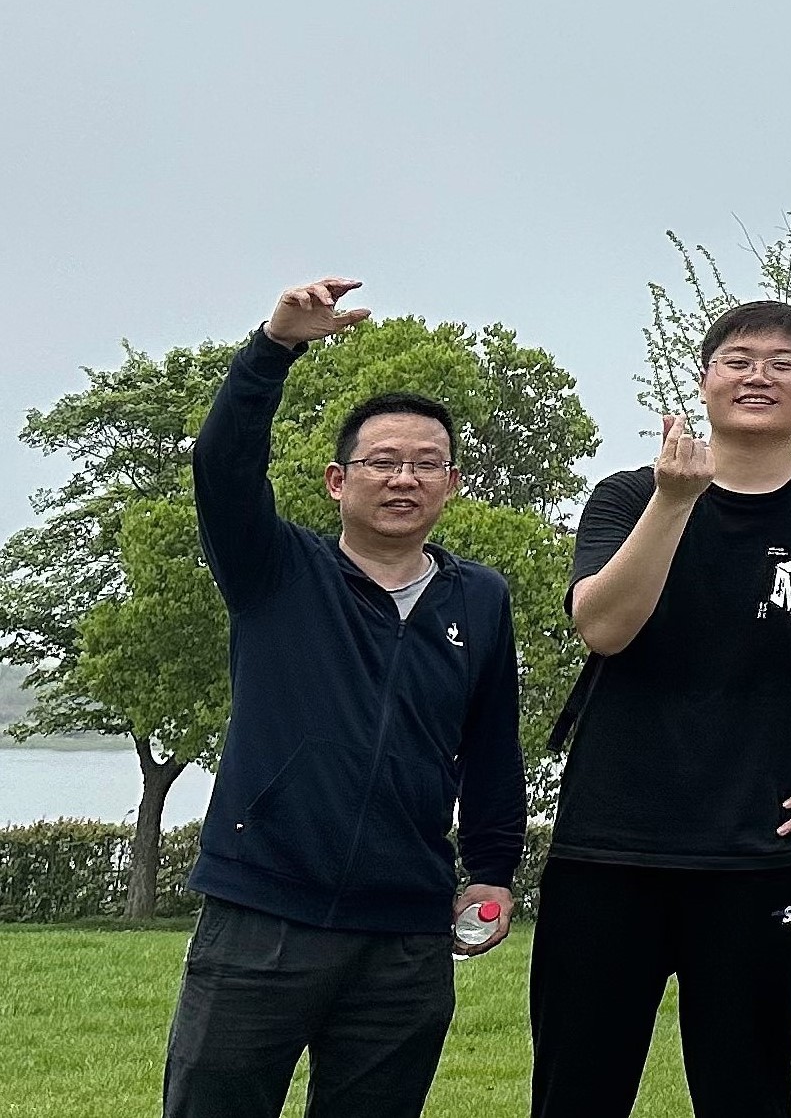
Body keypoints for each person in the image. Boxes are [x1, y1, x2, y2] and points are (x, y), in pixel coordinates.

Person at [166, 279, 526, 1118]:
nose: (404, 478)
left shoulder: (480, 598)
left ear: (452, 482)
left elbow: (490, 743)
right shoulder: (273, 570)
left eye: (426, 463)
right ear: (337, 480)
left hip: (404, 936)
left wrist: (494, 871)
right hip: (261, 912)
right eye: (382, 461)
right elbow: (222, 464)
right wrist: (274, 348)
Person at [532, 300, 791, 1118]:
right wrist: (673, 501)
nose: (758, 375)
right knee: (575, 1094)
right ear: (704, 380)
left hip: (759, 853)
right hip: (608, 847)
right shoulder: (629, 495)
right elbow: (604, 627)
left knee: (749, 1095)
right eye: (738, 359)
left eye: (783, 362)